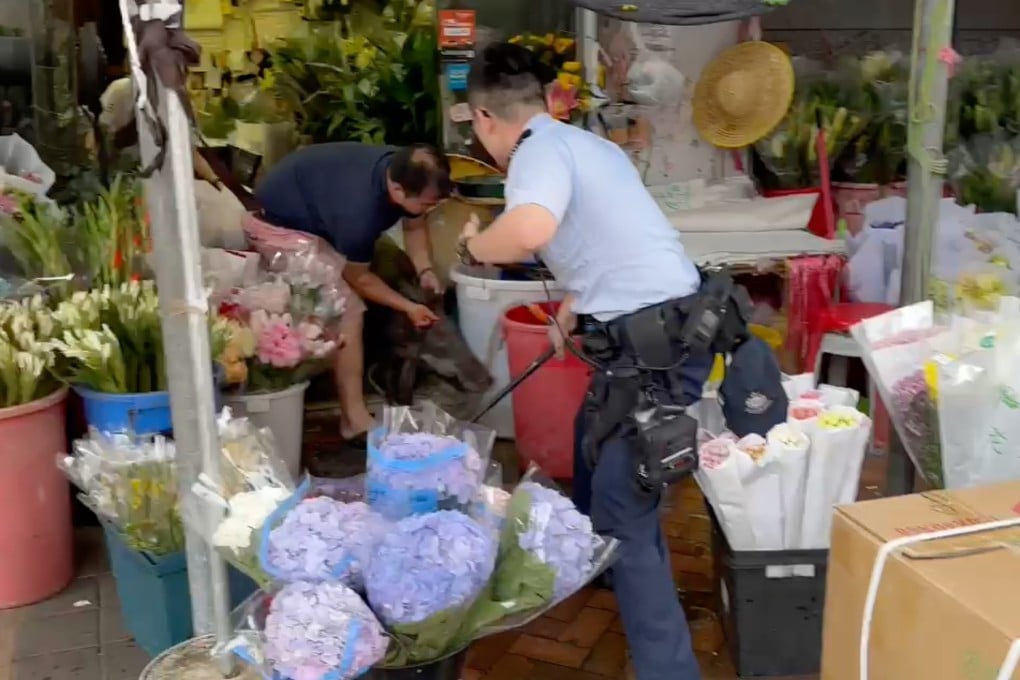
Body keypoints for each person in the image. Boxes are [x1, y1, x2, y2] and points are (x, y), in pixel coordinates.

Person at [458, 43, 786, 680]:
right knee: (592, 435)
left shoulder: (536, 151)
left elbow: (527, 231)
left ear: (483, 119)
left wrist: (476, 245)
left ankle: (669, 668)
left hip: (654, 349)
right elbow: (619, 243)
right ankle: (592, 561)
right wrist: (571, 309)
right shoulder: (588, 146)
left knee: (623, 506)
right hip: (673, 326)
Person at [253, 143, 453, 442]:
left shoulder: (407, 170)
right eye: (426, 205)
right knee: (345, 306)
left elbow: (414, 228)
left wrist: (424, 271)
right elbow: (359, 278)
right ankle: (354, 418)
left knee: (390, 267)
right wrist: (408, 307)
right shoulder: (359, 212)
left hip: (319, 211)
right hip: (276, 223)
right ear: (397, 191)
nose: (429, 211)